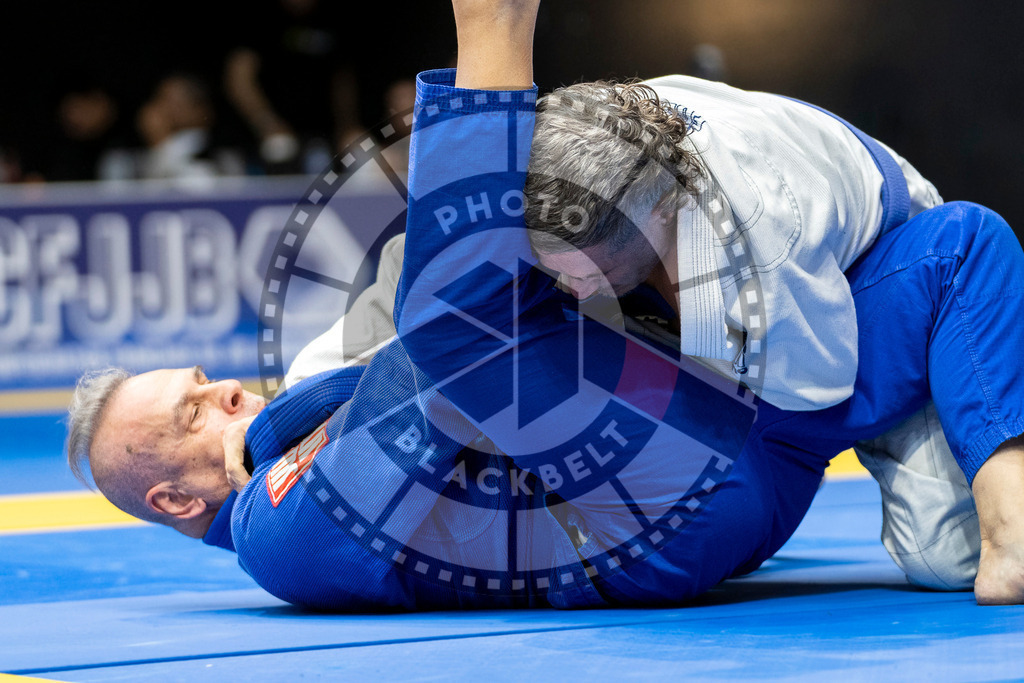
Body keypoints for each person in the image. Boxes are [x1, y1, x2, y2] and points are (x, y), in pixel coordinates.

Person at [66, 0, 1024, 609]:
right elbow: (445, 358)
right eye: (193, 412)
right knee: (460, 324)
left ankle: (1011, 516)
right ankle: (495, 29)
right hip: (651, 519)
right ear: (176, 499)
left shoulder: (311, 402)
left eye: (206, 379)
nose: (227, 392)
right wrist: (493, 57)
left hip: (745, 420)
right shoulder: (275, 539)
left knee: (963, 243)